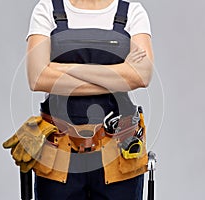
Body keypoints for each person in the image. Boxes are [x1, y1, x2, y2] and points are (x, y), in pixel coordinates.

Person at [26, 0, 153, 199]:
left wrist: (59, 69)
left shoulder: (132, 12)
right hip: (59, 153)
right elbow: (37, 77)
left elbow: (142, 75)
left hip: (118, 152)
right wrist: (117, 76)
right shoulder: (47, 9)